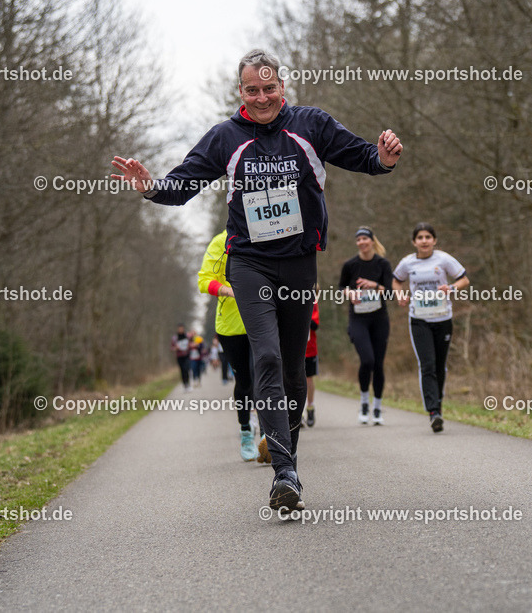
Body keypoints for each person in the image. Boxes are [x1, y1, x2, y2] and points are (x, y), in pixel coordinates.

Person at [111, 49, 403, 512]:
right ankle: (284, 473)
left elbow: (362, 155)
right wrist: (151, 186)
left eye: (270, 88)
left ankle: (288, 461)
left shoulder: (311, 125)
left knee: (291, 370)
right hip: (248, 262)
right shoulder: (226, 137)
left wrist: (384, 158)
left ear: (282, 88)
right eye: (253, 90)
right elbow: (182, 184)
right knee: (264, 354)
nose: (262, 97)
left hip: (299, 262)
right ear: (240, 92)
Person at [392, 223, 468, 433]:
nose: (424, 241)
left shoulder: (443, 259)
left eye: (428, 237)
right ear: (414, 242)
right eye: (420, 237)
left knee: (440, 366)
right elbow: (396, 281)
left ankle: (438, 406)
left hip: (443, 318)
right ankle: (433, 412)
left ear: (434, 240)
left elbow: (464, 279)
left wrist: (451, 287)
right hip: (419, 319)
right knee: (427, 365)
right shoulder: (407, 263)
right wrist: (400, 295)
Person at [198, 230, 258, 461]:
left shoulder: (265, 233)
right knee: (245, 381)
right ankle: (245, 431)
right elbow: (204, 281)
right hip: (231, 326)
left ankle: (268, 434)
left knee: (264, 374)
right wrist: (228, 290)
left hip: (263, 319)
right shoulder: (220, 242)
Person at [339, 226, 394, 425]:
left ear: (372, 241)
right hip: (358, 319)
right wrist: (350, 293)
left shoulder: (383, 264)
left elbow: (390, 293)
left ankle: (377, 407)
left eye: (365, 238)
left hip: (379, 319)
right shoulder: (350, 265)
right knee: (368, 360)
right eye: (358, 239)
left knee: (378, 364)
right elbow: (341, 288)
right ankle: (364, 401)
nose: (361, 242)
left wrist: (374, 285)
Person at [303, 299, 319, 428]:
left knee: (308, 379)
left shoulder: (312, 302)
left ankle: (310, 407)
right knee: (292, 379)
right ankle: (298, 413)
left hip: (309, 349)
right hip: (292, 349)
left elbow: (315, 324)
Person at [171, 324, 192, 392]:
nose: (180, 330)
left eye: (182, 328)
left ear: (183, 329)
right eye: (179, 328)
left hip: (187, 355)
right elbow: (172, 348)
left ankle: (188, 384)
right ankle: (185, 385)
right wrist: (175, 348)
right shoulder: (175, 338)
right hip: (179, 356)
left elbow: (191, 344)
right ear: (178, 329)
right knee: (182, 370)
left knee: (186, 369)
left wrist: (190, 346)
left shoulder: (187, 337)